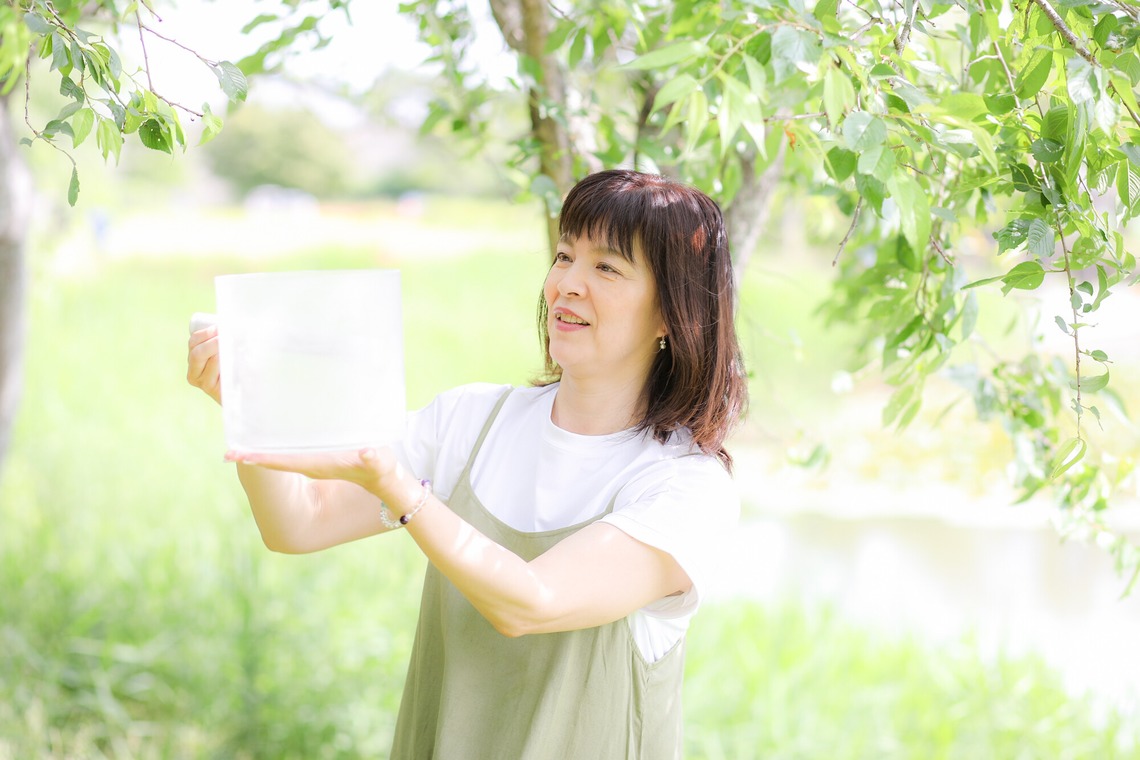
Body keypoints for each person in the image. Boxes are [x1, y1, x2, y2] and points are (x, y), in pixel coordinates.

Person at [186, 169, 748, 759]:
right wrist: (251, 407)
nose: (567, 285)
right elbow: (298, 524)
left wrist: (403, 492)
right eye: (563, 256)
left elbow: (531, 601)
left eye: (606, 267)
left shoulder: (686, 486)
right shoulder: (473, 421)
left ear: (671, 313)